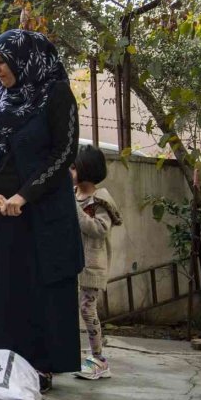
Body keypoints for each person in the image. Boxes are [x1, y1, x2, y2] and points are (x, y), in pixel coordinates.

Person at [0, 29, 83, 393]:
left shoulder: (57, 94)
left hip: (42, 212)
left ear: (24, 59)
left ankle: (40, 366)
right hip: (0, 213)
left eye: (1, 62)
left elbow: (64, 152)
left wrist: (23, 195)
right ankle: (3, 362)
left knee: (40, 289)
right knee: (1, 288)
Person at [70, 145, 122, 381]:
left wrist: (76, 212)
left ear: (86, 170)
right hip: (71, 262)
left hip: (92, 265)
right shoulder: (72, 194)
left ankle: (99, 359)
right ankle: (70, 354)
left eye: (73, 167)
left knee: (87, 309)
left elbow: (100, 229)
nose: (69, 172)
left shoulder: (100, 200)